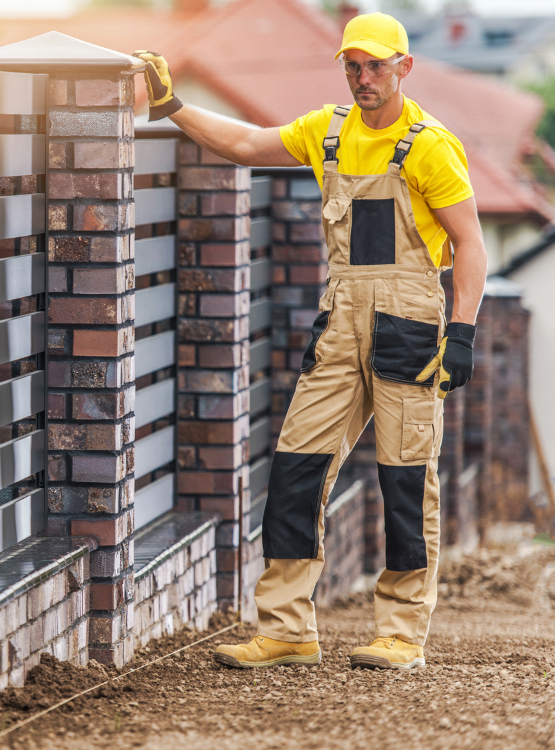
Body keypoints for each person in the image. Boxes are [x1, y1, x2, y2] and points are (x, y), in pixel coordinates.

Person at [135, 11, 487, 670]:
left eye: (376, 66)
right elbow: (245, 144)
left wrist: (462, 332)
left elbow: (470, 243)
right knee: (295, 470)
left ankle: (401, 633)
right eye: (353, 66)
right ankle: (287, 629)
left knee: (405, 480)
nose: (363, 77)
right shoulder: (326, 131)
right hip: (341, 321)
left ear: (403, 68)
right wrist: (171, 107)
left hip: (409, 325)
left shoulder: (430, 145)